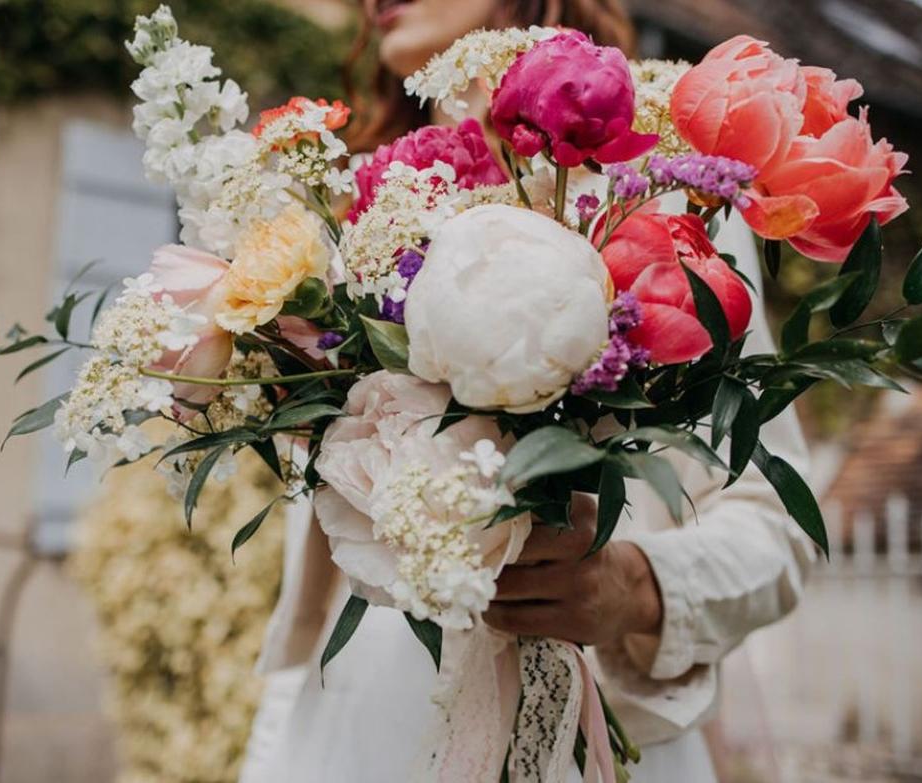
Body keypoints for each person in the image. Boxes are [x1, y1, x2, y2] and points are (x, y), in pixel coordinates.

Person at [239, 2, 815, 781]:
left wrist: (635, 587)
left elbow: (778, 525)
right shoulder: (349, 210)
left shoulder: (662, 186)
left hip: (584, 712)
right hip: (363, 705)